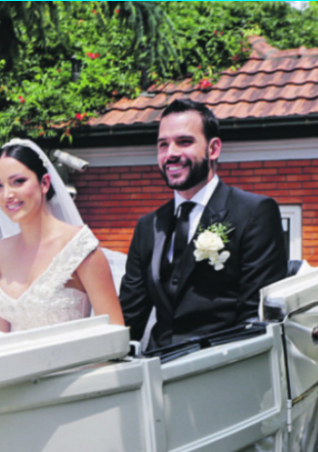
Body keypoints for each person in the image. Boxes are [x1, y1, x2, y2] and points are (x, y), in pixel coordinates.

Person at [119, 98, 288, 350]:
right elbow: (128, 318)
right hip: (155, 366)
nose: (171, 153)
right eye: (163, 144)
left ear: (213, 149)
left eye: (184, 142)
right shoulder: (148, 226)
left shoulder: (254, 213)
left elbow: (257, 317)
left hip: (224, 365)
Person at [0, 138, 123, 332]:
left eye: (18, 182)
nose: (7, 194)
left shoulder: (80, 248)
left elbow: (114, 332)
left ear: (44, 183)